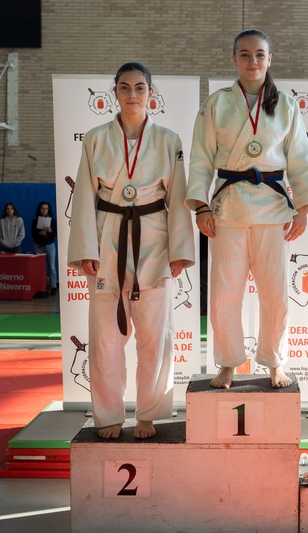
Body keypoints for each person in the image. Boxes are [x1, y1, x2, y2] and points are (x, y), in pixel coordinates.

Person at [186, 28, 308, 390]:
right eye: (244, 54)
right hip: (228, 208)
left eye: (259, 54)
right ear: (234, 59)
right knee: (224, 294)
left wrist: (303, 207)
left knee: (275, 295)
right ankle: (228, 363)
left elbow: (301, 159)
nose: (252, 61)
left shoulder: (286, 105)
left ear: (269, 59)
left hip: (273, 210)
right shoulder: (217, 103)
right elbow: (201, 157)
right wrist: (201, 206)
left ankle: (275, 361)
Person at [68, 61, 195, 440]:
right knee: (105, 337)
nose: (132, 94)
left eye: (140, 88)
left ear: (150, 94)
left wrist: (180, 250)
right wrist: (85, 247)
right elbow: (84, 195)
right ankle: (108, 414)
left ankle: (148, 414)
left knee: (155, 335)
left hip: (154, 238)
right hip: (107, 237)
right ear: (115, 93)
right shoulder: (95, 138)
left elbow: (178, 195)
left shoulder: (169, 139)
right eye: (125, 87)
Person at [32, 201, 58, 294]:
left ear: (48, 210)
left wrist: (50, 231)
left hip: (50, 245)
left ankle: (53, 286)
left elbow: (55, 234)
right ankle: (40, 287)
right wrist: (39, 233)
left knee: (52, 267)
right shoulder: (35, 221)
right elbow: (33, 235)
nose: (44, 210)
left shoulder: (53, 221)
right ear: (40, 210)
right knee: (39, 267)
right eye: (42, 208)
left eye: (46, 209)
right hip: (39, 245)